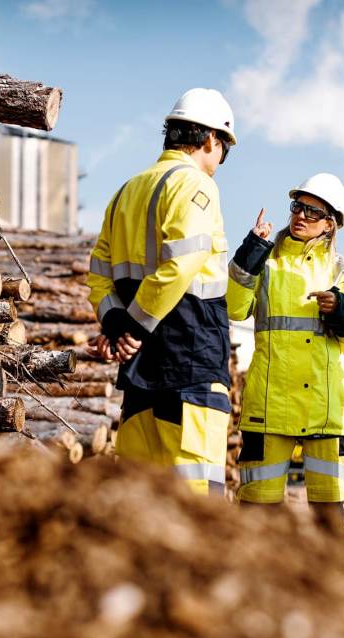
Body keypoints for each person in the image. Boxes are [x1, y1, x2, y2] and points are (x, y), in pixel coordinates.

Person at [85, 88, 235, 496]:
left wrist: (115, 322)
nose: (221, 161)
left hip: (140, 375)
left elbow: (97, 272)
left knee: (141, 502)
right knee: (198, 500)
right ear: (209, 140)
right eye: (225, 149)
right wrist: (133, 326)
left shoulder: (125, 192)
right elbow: (183, 262)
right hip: (191, 365)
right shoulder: (195, 186)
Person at [226, 174, 344, 532]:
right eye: (298, 207)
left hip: (324, 409)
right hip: (269, 404)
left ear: (331, 224)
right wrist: (250, 251)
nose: (301, 216)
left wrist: (342, 310)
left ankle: (331, 586)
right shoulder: (266, 263)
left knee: (328, 517)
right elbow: (234, 309)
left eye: (313, 212)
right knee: (255, 514)